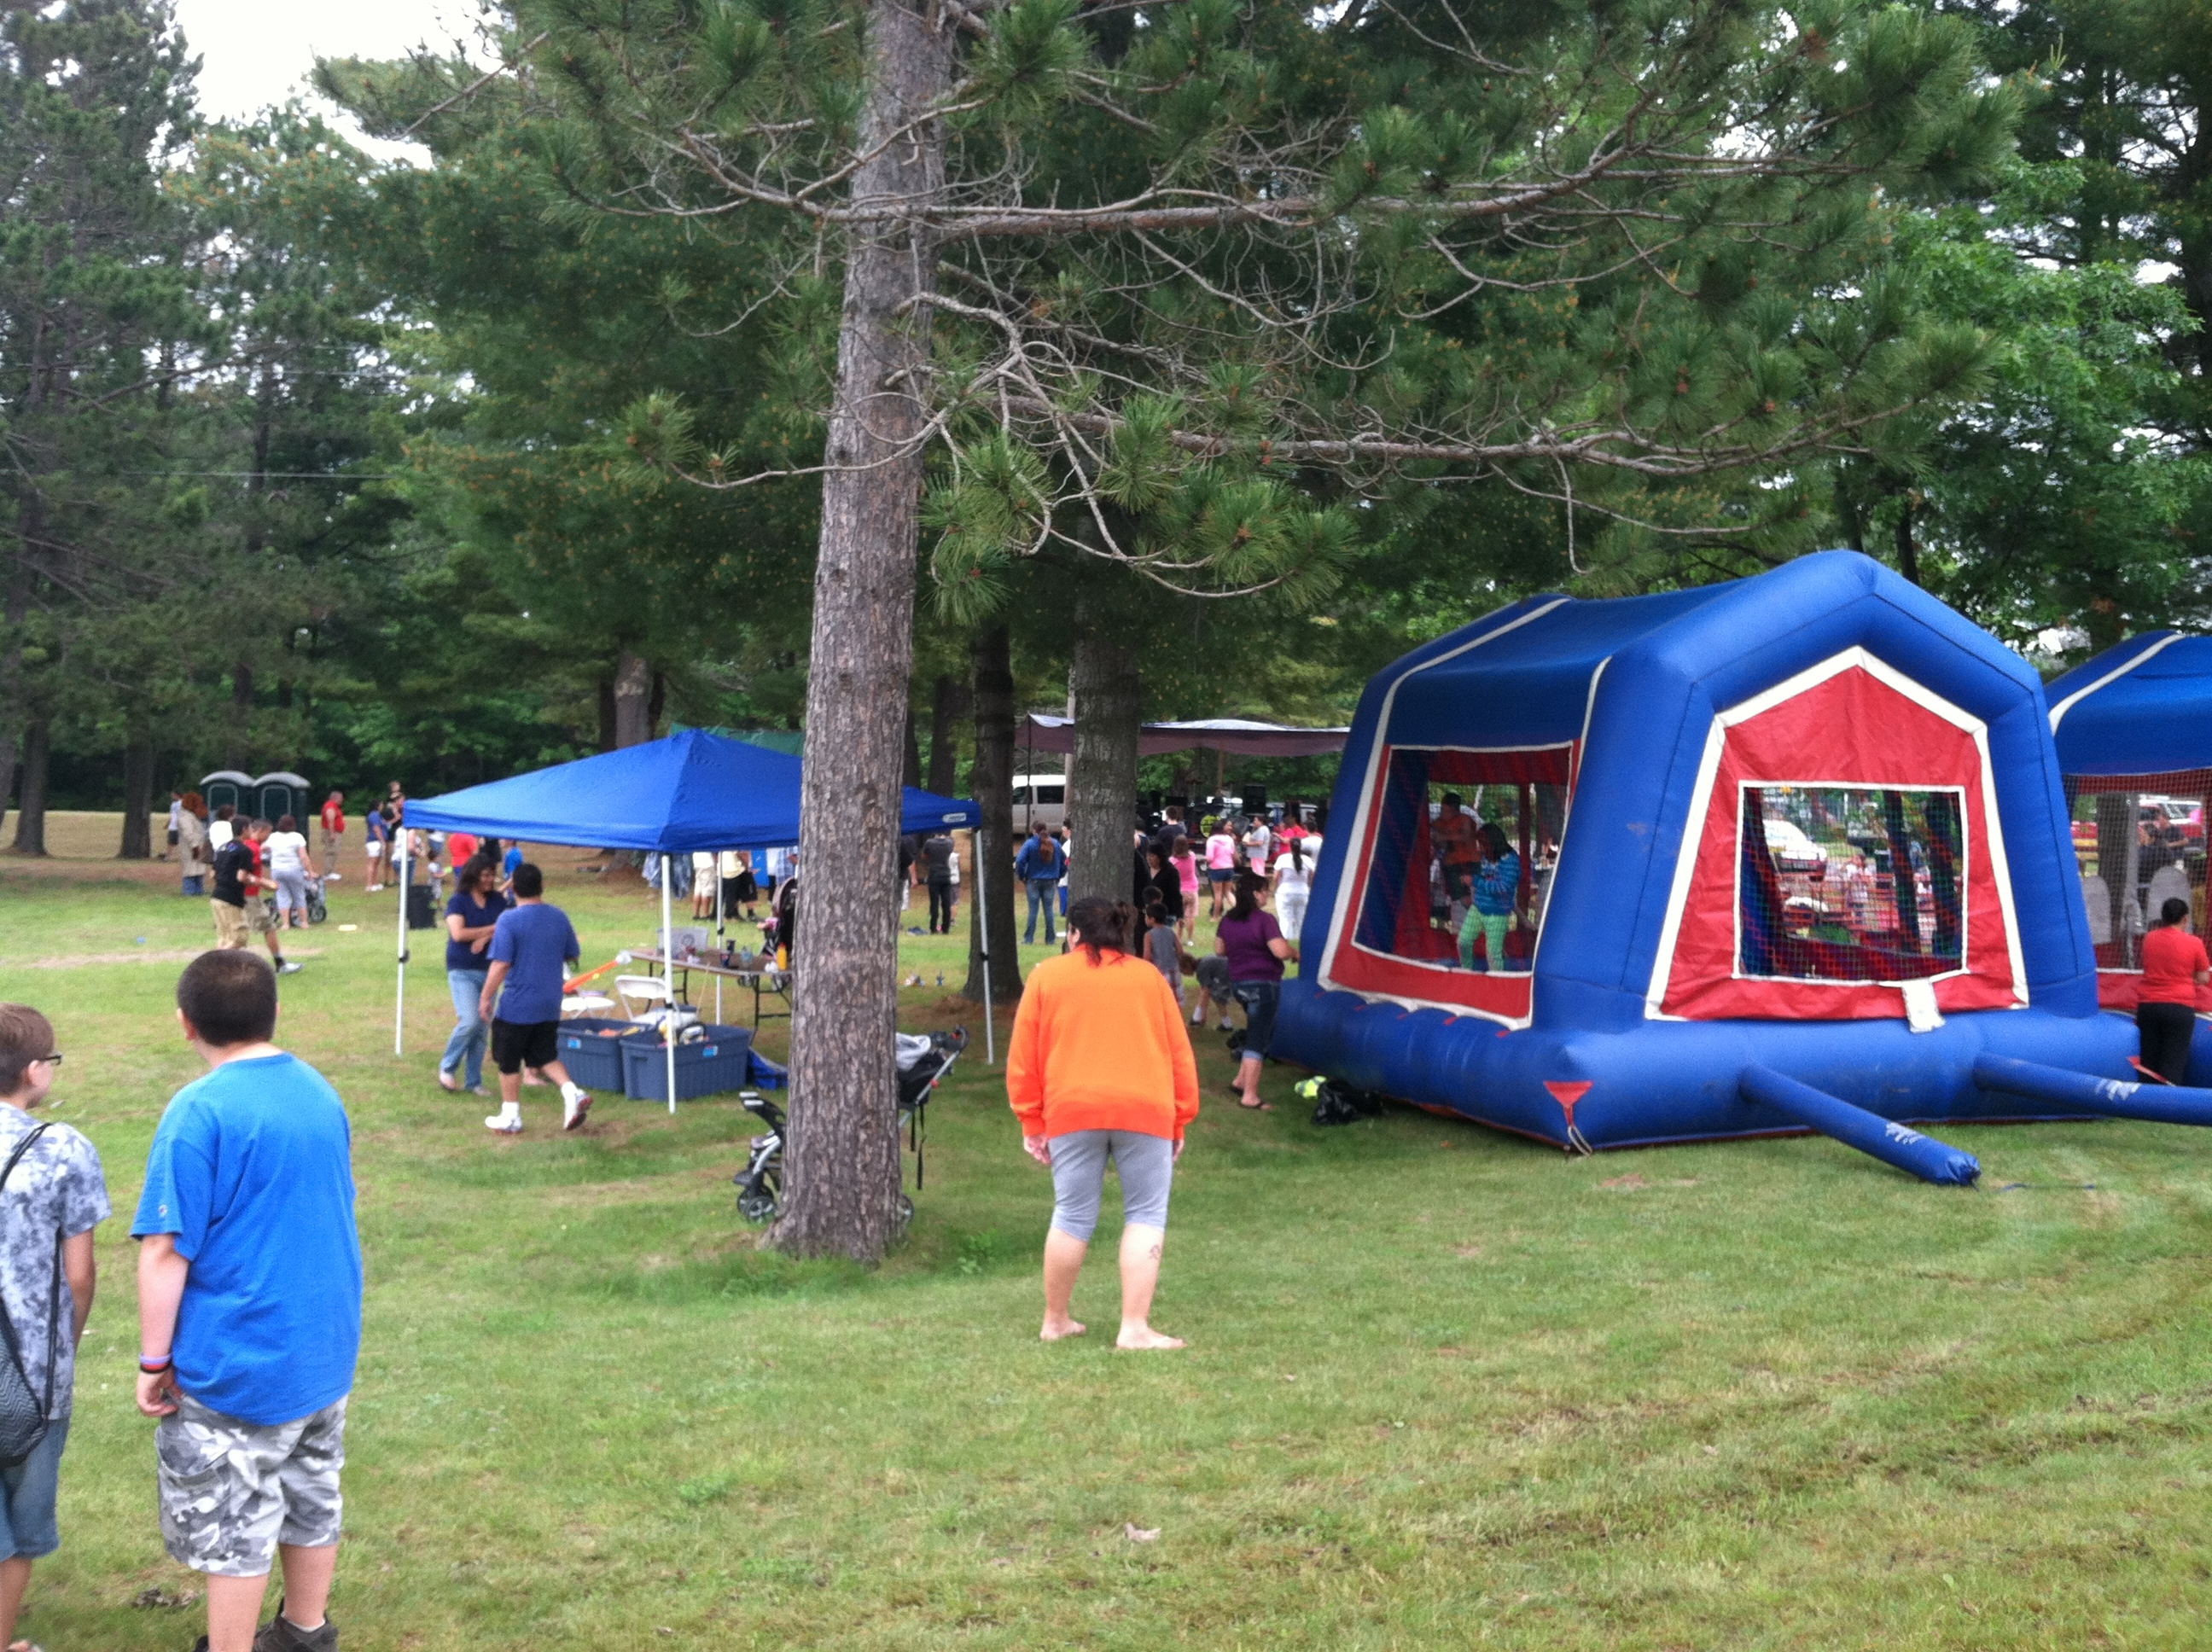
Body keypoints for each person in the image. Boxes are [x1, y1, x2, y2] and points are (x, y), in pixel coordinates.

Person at [134, 951, 361, 1652]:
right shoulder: (318, 1089)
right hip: (321, 1349)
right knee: (310, 1491)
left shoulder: (198, 1111)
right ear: (275, 1013)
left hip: (242, 1358)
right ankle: (305, 1630)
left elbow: (165, 1251)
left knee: (237, 1522)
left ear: (185, 1023)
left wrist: (153, 1362)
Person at [1009, 895, 1199, 1352]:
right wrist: (1180, 1118)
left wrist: (1031, 1121)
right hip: (1146, 1109)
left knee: (1072, 1213)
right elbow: (1179, 1054)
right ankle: (1134, 1327)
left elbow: (1023, 1058)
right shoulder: (1149, 979)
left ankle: (1055, 1319)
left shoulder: (1046, 977)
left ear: (1073, 933)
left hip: (1072, 1110)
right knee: (1146, 1214)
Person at [0, 1004, 108, 1652]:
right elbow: (80, 1275)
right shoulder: (64, 1150)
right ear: (36, 1071)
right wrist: (66, 1341)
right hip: (33, 1372)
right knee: (23, 1519)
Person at [479, 863, 591, 1135]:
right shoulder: (558, 916)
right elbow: (573, 954)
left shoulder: (509, 920)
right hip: (550, 1002)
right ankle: (572, 1093)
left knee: (508, 1059)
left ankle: (511, 1115)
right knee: (544, 1055)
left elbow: (501, 964)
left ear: (513, 888)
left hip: (518, 1004)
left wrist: (485, 997)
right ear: (542, 886)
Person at [1218, 871, 1296, 1110]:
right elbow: (1280, 951)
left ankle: (1241, 1081)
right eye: (1265, 891)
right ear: (1255, 894)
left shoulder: (1228, 920)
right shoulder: (1265, 920)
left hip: (1240, 984)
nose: (1267, 895)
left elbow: (1220, 949)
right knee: (1258, 1038)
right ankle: (1250, 1096)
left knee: (1256, 1028)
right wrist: (1295, 953)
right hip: (1264, 985)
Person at [439, 858, 509, 1096]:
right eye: (486, 875)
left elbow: (507, 925)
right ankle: (447, 1068)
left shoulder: (498, 900)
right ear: (473, 876)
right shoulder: (459, 901)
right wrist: (490, 931)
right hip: (462, 969)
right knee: (469, 1020)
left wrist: (483, 936)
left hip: (490, 972)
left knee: (481, 1029)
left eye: (492, 875)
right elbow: (458, 934)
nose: (491, 879)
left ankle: (474, 1081)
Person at [211, 822, 300, 974]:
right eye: (267, 833)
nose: (268, 837)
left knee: (226, 936)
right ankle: (214, 966)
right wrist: (265, 883)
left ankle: (224, 970)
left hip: (219, 896)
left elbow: (214, 874)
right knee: (250, 933)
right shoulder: (249, 849)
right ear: (249, 829)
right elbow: (243, 876)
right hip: (246, 896)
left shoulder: (224, 848)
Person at [2136, 896, 2209, 1083]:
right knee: (2173, 1062)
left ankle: (2145, 1104)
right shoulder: (2194, 943)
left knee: (2149, 1060)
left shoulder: (2150, 939)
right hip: (2179, 1007)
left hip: (2148, 1005)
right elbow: (2203, 977)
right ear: (2185, 919)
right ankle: (2168, 1104)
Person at [1458, 823, 1522, 973]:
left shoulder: (1510, 861)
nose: (1479, 848)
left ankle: (1497, 982)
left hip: (1497, 913)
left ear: (1491, 844)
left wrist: (1475, 881)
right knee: (1463, 942)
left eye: (1482, 845)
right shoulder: (1487, 857)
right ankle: (1466, 971)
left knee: (1493, 954)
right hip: (1478, 907)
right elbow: (1486, 877)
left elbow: (1503, 888)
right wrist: (1473, 879)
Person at [1016, 820, 1067, 945]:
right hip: (1050, 880)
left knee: (1033, 910)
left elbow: (1020, 861)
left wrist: (1022, 876)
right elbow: (1064, 861)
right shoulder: (1055, 844)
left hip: (1033, 880)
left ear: (1034, 831)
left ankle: (1028, 939)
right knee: (1049, 910)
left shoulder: (1030, 844)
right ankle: (1050, 939)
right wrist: (1059, 875)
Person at [265, 815, 311, 930]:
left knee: (282, 896)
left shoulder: (273, 837)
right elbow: (303, 856)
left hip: (277, 869)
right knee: (299, 895)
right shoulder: (297, 837)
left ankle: (285, 924)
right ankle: (304, 922)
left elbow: (263, 848)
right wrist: (310, 871)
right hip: (294, 869)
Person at [1432, 792, 1480, 902]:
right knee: (1459, 897)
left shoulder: (1465, 819)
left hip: (1471, 862)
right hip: (1452, 864)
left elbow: (1466, 837)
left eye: (1446, 811)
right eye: (1442, 810)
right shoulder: (1438, 823)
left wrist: (1444, 837)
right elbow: (1439, 845)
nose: (1443, 814)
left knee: (1476, 894)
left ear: (1455, 810)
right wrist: (1438, 840)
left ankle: (1479, 915)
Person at [1272, 833, 1313, 942]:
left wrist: (1275, 889)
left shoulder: (1283, 858)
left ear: (1290, 846)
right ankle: (1302, 941)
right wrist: (1309, 887)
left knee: (1285, 919)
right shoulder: (1308, 860)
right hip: (1303, 892)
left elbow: (1276, 877)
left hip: (1285, 892)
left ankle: (1286, 941)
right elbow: (1312, 877)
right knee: (1302, 919)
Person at [178, 792, 212, 898]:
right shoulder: (184, 817)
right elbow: (188, 833)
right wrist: (195, 846)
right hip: (190, 848)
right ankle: (189, 891)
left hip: (198, 846)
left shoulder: (192, 816)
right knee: (190, 869)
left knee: (199, 868)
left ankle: (198, 890)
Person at [922, 830, 957, 934]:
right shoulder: (950, 843)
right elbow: (951, 851)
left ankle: (933, 927)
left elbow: (924, 855)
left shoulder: (929, 842)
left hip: (934, 874)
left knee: (934, 902)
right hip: (946, 874)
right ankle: (945, 928)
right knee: (946, 902)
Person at [1204, 820, 1239, 917]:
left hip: (1216, 869)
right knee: (1228, 892)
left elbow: (1210, 857)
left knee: (1218, 894)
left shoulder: (1211, 840)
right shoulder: (1229, 839)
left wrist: (1206, 862)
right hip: (1229, 868)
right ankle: (1240, 912)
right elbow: (1233, 854)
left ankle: (1215, 916)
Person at [1170, 835, 1201, 945]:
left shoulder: (1173, 861)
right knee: (1190, 916)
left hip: (1179, 890)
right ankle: (1190, 939)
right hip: (1192, 888)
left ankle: (1178, 938)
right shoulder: (1192, 856)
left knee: (1180, 916)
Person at [317, 792, 346, 881]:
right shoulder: (330, 807)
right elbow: (331, 821)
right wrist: (332, 833)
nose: (342, 800)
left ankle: (331, 871)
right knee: (331, 852)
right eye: (340, 798)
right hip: (332, 832)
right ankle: (328, 873)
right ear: (335, 798)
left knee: (334, 852)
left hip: (336, 832)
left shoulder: (334, 807)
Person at [364, 803, 388, 892]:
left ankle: (374, 883)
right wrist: (382, 841)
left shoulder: (378, 815)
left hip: (377, 841)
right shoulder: (374, 815)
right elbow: (376, 829)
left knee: (376, 864)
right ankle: (369, 885)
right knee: (372, 863)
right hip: (374, 842)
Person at [691, 852, 719, 921]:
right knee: (707, 889)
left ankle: (696, 913)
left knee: (698, 889)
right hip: (707, 863)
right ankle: (705, 914)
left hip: (697, 862)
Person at [165, 789, 183, 861]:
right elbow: (172, 815)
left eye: (173, 795)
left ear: (177, 795)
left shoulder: (182, 803)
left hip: (180, 826)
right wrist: (168, 824)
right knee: (170, 842)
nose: (172, 796)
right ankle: (168, 857)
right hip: (173, 826)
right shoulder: (173, 805)